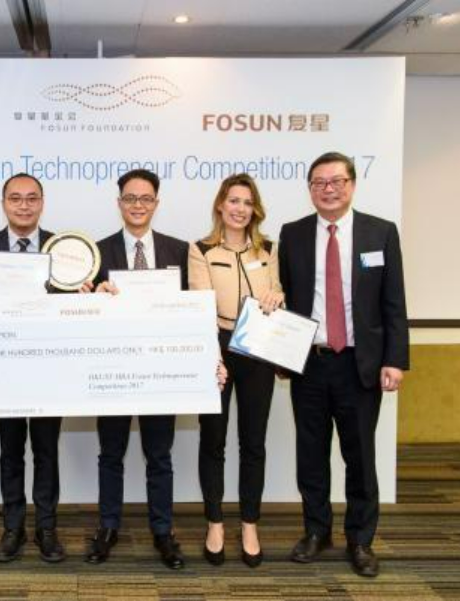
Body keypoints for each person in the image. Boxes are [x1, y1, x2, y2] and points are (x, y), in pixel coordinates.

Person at [279, 151, 409, 577]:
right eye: (319, 182)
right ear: (310, 189)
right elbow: (284, 297)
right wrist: (280, 351)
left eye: (336, 181)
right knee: (310, 455)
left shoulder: (380, 232)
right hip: (310, 363)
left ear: (352, 184)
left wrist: (395, 359)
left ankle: (360, 540)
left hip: (361, 365)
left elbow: (394, 302)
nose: (328, 189)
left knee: (361, 457)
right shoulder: (293, 234)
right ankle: (316, 531)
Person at [87, 168, 190, 570]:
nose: (138, 205)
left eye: (145, 198)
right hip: (113, 372)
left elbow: (192, 310)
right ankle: (107, 527)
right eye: (130, 198)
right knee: (110, 454)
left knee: (159, 456)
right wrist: (93, 297)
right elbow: (82, 314)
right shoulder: (97, 252)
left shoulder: (180, 251)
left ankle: (163, 532)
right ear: (119, 203)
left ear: (156, 203)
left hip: (161, 372)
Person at [0, 173, 65, 563]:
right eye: (15, 198)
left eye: (32, 198)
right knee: (10, 451)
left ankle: (46, 528)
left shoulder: (64, 249)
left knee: (46, 451)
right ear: (3, 204)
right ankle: (13, 528)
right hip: (2, 369)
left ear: (42, 203)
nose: (24, 206)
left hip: (50, 369)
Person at [188, 173, 283, 568]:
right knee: (213, 440)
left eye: (247, 202)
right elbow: (199, 308)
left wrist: (277, 296)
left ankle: (249, 525)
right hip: (218, 347)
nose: (240, 209)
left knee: (253, 442)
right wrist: (214, 356)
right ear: (220, 205)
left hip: (258, 348)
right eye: (233, 201)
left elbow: (278, 291)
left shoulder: (269, 249)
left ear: (254, 209)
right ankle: (214, 524)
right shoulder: (201, 249)